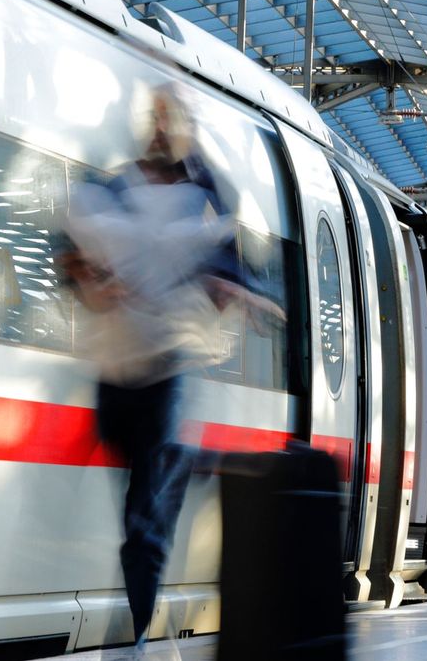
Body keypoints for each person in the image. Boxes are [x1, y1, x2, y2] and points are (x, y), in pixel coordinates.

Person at [58, 84, 280, 652]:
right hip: (116, 369)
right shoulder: (114, 187)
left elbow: (233, 265)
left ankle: (136, 631)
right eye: (153, 119)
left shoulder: (204, 194)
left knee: (143, 519)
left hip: (168, 364)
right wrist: (91, 279)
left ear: (186, 130)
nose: (159, 130)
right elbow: (69, 256)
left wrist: (238, 292)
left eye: (170, 120)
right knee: (133, 484)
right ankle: (194, 460)